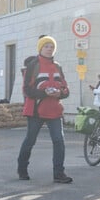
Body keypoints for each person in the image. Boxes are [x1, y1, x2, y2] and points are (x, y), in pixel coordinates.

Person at [17, 36, 73, 183]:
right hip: (36, 111)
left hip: (54, 110)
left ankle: (59, 173)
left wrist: (60, 93)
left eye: (51, 47)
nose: (49, 49)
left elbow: (66, 90)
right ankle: (22, 169)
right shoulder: (33, 66)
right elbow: (27, 90)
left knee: (59, 141)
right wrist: (44, 93)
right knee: (30, 140)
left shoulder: (58, 67)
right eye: (46, 46)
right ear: (40, 48)